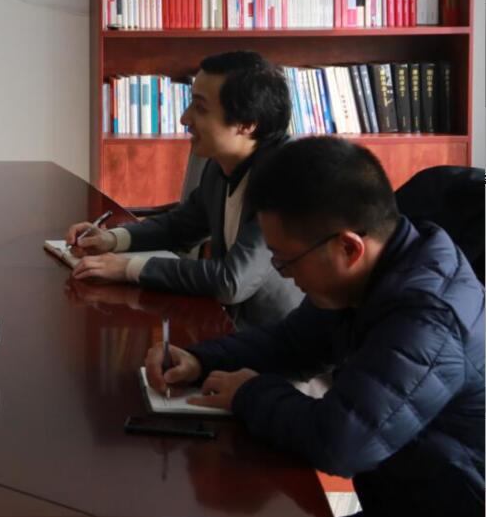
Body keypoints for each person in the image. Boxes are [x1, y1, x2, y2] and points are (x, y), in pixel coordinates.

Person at [146, 136, 484, 517]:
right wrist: (199, 359)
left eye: (286, 261)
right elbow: (293, 342)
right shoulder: (373, 271)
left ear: (348, 248)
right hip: (406, 493)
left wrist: (249, 393)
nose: (283, 274)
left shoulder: (428, 317)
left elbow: (343, 442)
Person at [66, 50, 302, 327]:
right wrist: (111, 239)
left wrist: (128, 268)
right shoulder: (220, 165)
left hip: (281, 340)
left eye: (200, 108)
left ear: (247, 124)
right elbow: (180, 226)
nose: (184, 118)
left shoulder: (285, 178)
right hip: (232, 328)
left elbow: (232, 280)